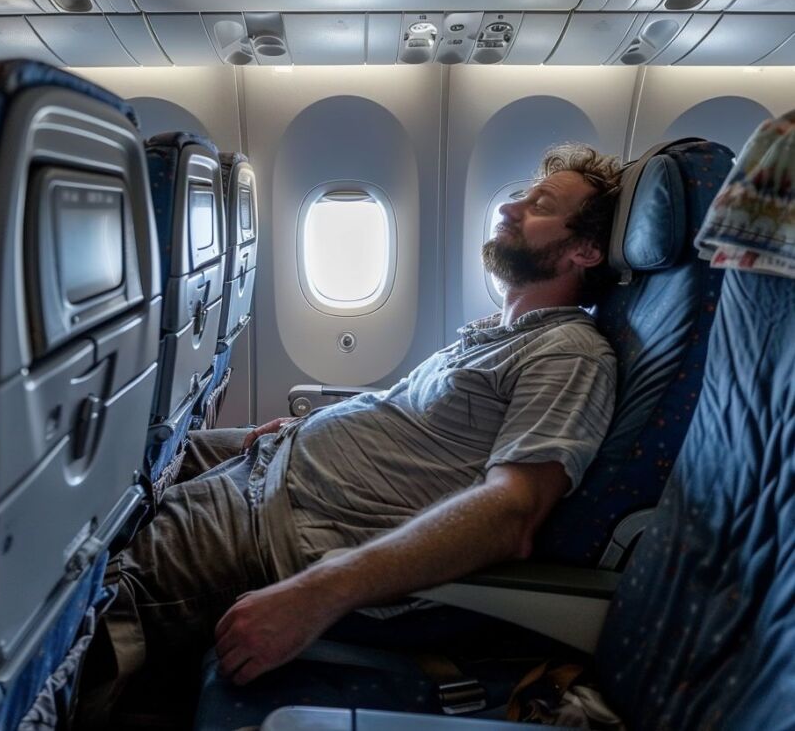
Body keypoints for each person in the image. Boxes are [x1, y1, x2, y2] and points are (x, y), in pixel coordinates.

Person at [76, 143, 622, 725]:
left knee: (85, 582)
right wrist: (305, 426)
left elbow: (510, 512)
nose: (511, 209)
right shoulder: (497, 331)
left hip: (283, 527)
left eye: (540, 206)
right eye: (518, 196)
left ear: (585, 250)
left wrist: (321, 589)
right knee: (112, 471)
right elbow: (406, 418)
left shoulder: (570, 353)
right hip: (271, 466)